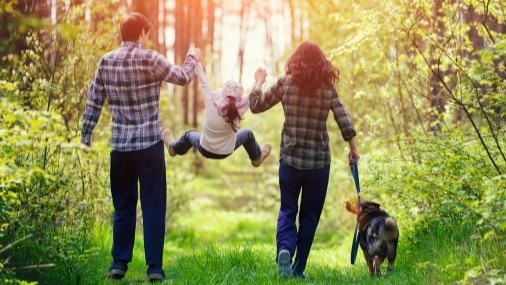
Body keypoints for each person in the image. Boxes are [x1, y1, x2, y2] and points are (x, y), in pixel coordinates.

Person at [80, 12, 201, 282]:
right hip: (149, 146)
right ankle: (154, 268)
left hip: (120, 147)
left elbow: (94, 101)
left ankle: (118, 263)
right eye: (147, 33)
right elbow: (183, 77)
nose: (148, 38)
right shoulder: (151, 58)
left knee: (123, 206)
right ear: (141, 33)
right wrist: (192, 56)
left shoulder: (106, 61)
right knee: (153, 205)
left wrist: (86, 135)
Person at [249, 41, 360, 278]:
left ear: (295, 61)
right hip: (318, 163)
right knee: (310, 216)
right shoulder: (327, 89)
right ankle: (298, 270)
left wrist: (258, 81)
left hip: (290, 160)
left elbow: (256, 106)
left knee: (288, 209)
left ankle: (285, 250)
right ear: (322, 64)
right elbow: (344, 119)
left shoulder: (284, 84)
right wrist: (353, 149)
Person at [163, 61, 271, 166]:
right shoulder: (239, 109)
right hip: (227, 151)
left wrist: (196, 60)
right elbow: (252, 96)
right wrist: (259, 80)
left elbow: (203, 81)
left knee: (188, 135)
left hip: (205, 149)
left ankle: (173, 149)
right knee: (248, 133)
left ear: (222, 93)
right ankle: (256, 158)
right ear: (238, 99)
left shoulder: (211, 99)